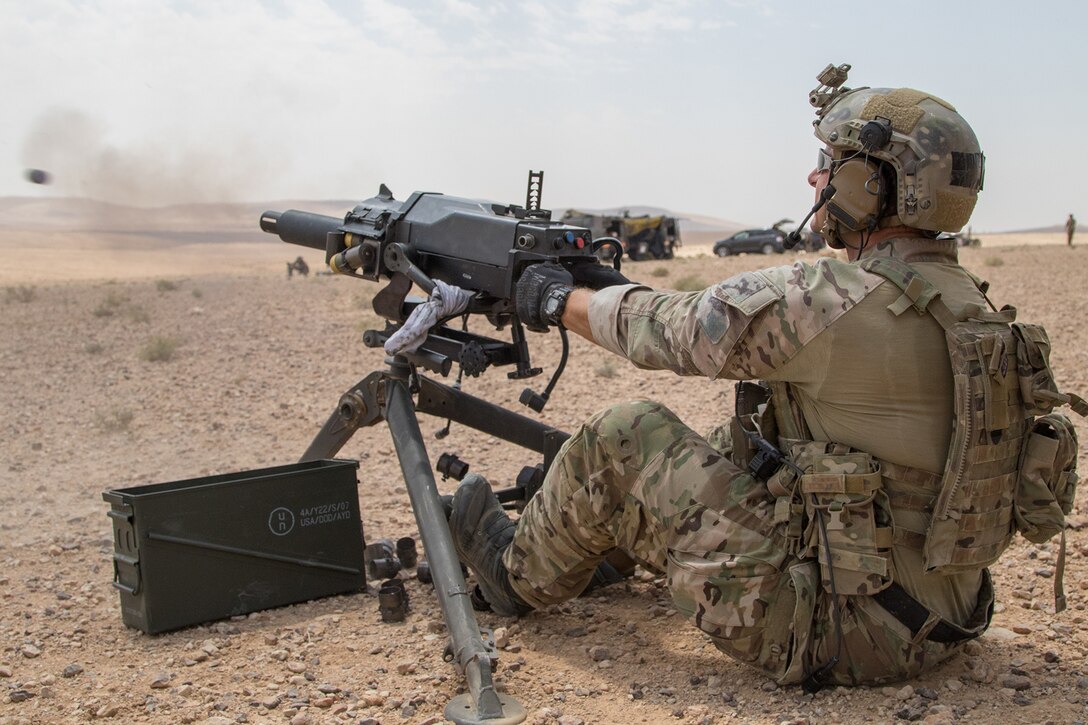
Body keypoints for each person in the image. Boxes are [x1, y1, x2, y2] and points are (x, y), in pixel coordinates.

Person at [435, 63, 1084, 689]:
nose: (815, 176)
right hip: (946, 620)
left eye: (830, 165)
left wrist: (554, 298)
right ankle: (601, 542)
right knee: (736, 445)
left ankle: (512, 576)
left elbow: (673, 330)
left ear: (871, 185)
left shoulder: (832, 298)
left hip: (846, 635)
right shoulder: (977, 308)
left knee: (624, 433)